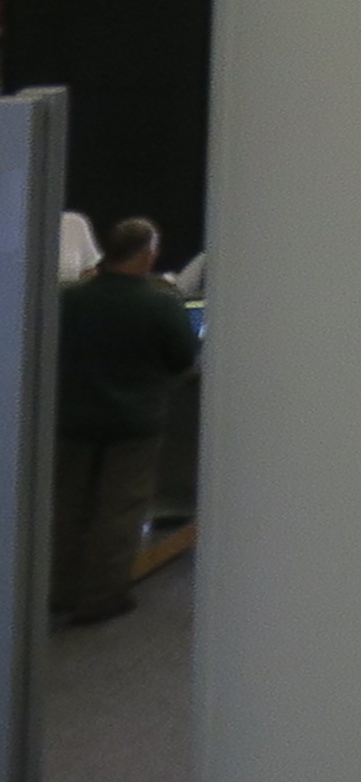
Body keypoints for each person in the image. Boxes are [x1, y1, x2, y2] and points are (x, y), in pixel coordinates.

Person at [50, 215, 193, 623]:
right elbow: (183, 357)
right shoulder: (159, 303)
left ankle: (60, 590)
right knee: (118, 511)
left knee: (68, 507)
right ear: (148, 255)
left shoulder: (71, 300)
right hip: (133, 424)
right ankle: (101, 598)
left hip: (73, 420)